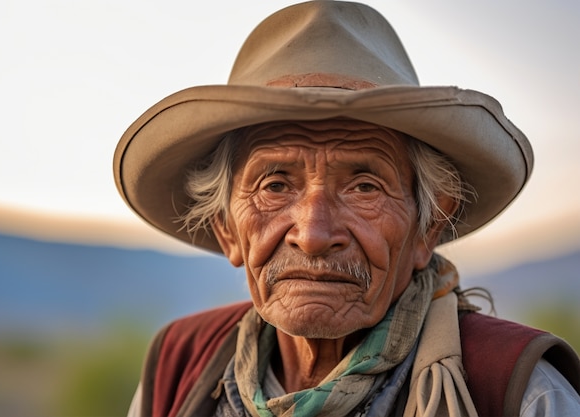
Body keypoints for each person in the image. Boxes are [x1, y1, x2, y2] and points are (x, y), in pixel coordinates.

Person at [114, 2, 580, 416]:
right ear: (226, 230)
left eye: (364, 187)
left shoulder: (515, 391)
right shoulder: (178, 368)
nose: (314, 234)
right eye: (275, 185)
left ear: (428, 226)